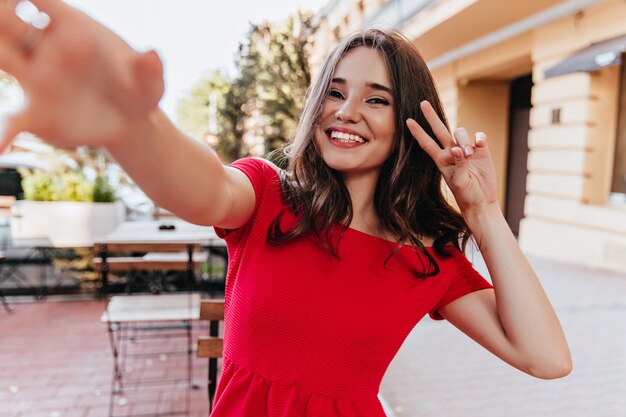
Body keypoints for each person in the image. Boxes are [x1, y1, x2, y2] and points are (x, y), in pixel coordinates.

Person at [0, 1, 571, 416]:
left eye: (377, 99)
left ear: (410, 127)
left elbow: (546, 358)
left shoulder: (429, 257)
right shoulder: (267, 197)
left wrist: (484, 213)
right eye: (334, 91)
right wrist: (131, 126)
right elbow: (200, 186)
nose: (347, 111)